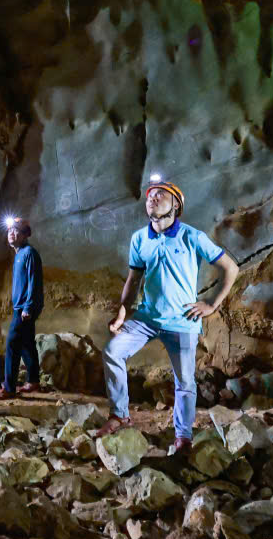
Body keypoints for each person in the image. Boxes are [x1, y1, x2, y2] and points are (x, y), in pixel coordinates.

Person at [102, 174, 240, 453]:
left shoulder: (192, 236)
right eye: (150, 194)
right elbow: (133, 280)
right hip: (147, 318)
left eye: (160, 194)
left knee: (185, 381)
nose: (152, 197)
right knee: (112, 352)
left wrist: (211, 304)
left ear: (176, 205)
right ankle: (120, 414)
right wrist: (122, 313)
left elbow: (231, 268)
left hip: (182, 321)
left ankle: (183, 436)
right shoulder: (140, 238)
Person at [0, 216, 42, 400]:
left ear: (24, 235)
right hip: (21, 306)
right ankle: (33, 380)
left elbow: (34, 282)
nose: (11, 233)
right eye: (9, 230)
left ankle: (9, 388)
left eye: (16, 231)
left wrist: (28, 307)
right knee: (26, 343)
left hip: (25, 307)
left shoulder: (29, 253)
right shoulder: (19, 254)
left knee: (13, 344)